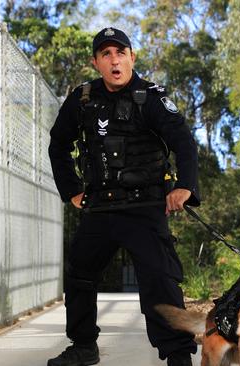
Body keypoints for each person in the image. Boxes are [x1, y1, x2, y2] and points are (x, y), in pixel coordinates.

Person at [47, 27, 199, 366]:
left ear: (132, 57)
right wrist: (72, 191)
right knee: (80, 274)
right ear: (96, 62)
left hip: (144, 206)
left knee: (160, 280)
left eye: (120, 53)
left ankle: (178, 355)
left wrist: (184, 186)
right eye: (106, 54)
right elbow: (58, 145)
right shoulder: (82, 99)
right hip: (100, 206)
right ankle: (84, 346)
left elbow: (184, 143)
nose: (114, 60)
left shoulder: (153, 97)